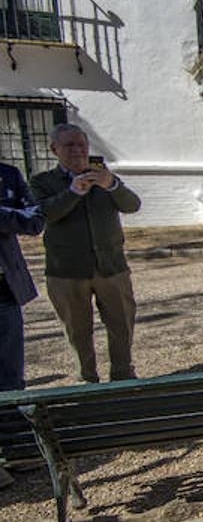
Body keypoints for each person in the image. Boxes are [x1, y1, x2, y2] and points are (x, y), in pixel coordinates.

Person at [29, 124, 140, 383]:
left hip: (111, 266)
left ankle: (123, 373)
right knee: (78, 329)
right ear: (54, 149)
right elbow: (43, 215)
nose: (77, 150)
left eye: (81, 145)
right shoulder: (42, 182)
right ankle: (86, 377)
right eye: (69, 145)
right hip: (67, 270)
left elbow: (132, 205)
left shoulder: (103, 177)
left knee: (121, 322)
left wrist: (112, 184)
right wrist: (73, 192)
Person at [1, 159, 44, 488]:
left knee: (11, 374)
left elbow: (34, 221)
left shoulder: (9, 174)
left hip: (5, 289)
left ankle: (16, 448)